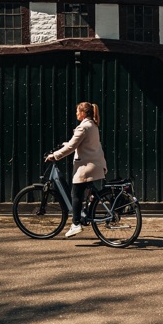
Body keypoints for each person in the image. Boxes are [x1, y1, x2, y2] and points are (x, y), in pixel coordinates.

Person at [47, 101, 107, 238]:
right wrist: (65, 144)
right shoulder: (92, 125)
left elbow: (72, 147)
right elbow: (81, 143)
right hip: (96, 164)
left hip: (86, 167)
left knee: (76, 194)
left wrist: (55, 155)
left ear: (84, 113)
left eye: (77, 111)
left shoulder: (83, 127)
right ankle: (86, 212)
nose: (76, 114)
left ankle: (75, 224)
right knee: (86, 192)